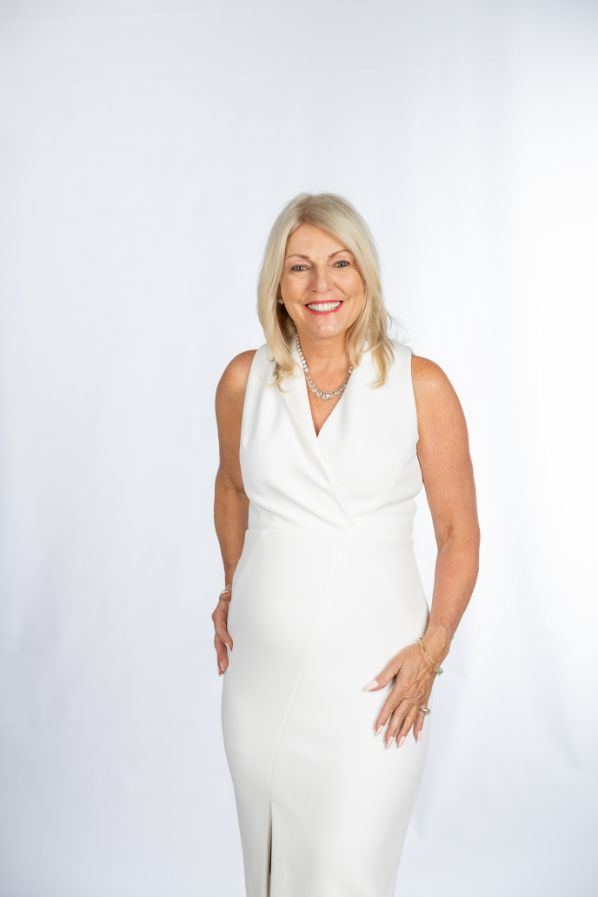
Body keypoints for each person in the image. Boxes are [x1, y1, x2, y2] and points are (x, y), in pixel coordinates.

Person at [212, 192, 480, 897]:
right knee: (271, 876)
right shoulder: (244, 381)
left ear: (366, 274)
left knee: (347, 875)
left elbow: (459, 533)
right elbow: (233, 488)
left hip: (375, 684)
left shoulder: (421, 384)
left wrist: (434, 649)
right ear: (277, 282)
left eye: (339, 263)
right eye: (299, 266)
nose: (320, 285)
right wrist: (233, 586)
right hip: (260, 680)